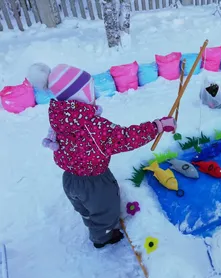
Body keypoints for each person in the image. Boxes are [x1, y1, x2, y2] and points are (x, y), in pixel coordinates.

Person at [39, 64, 176, 249]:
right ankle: (102, 238)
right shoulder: (92, 127)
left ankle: (90, 218)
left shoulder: (60, 116)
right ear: (80, 95)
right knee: (105, 213)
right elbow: (126, 138)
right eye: (90, 90)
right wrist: (157, 126)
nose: (94, 94)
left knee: (87, 210)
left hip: (70, 179)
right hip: (93, 182)